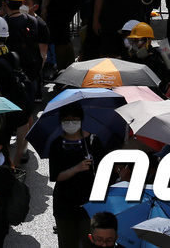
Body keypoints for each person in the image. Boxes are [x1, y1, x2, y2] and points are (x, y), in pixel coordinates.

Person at [48, 101, 106, 248]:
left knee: (90, 243)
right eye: (66, 120)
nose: (70, 123)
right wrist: (77, 168)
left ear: (81, 120)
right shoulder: (56, 145)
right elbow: (56, 176)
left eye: (74, 119)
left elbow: (104, 173)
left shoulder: (93, 142)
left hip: (89, 204)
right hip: (64, 206)